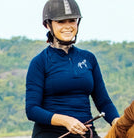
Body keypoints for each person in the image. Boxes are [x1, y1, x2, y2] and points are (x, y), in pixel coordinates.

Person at [25, 0, 119, 137]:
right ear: (48, 25)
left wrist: (117, 121)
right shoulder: (39, 62)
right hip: (51, 134)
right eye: (61, 22)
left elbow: (103, 101)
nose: (68, 26)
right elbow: (32, 109)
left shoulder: (89, 58)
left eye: (72, 21)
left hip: (86, 132)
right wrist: (66, 121)